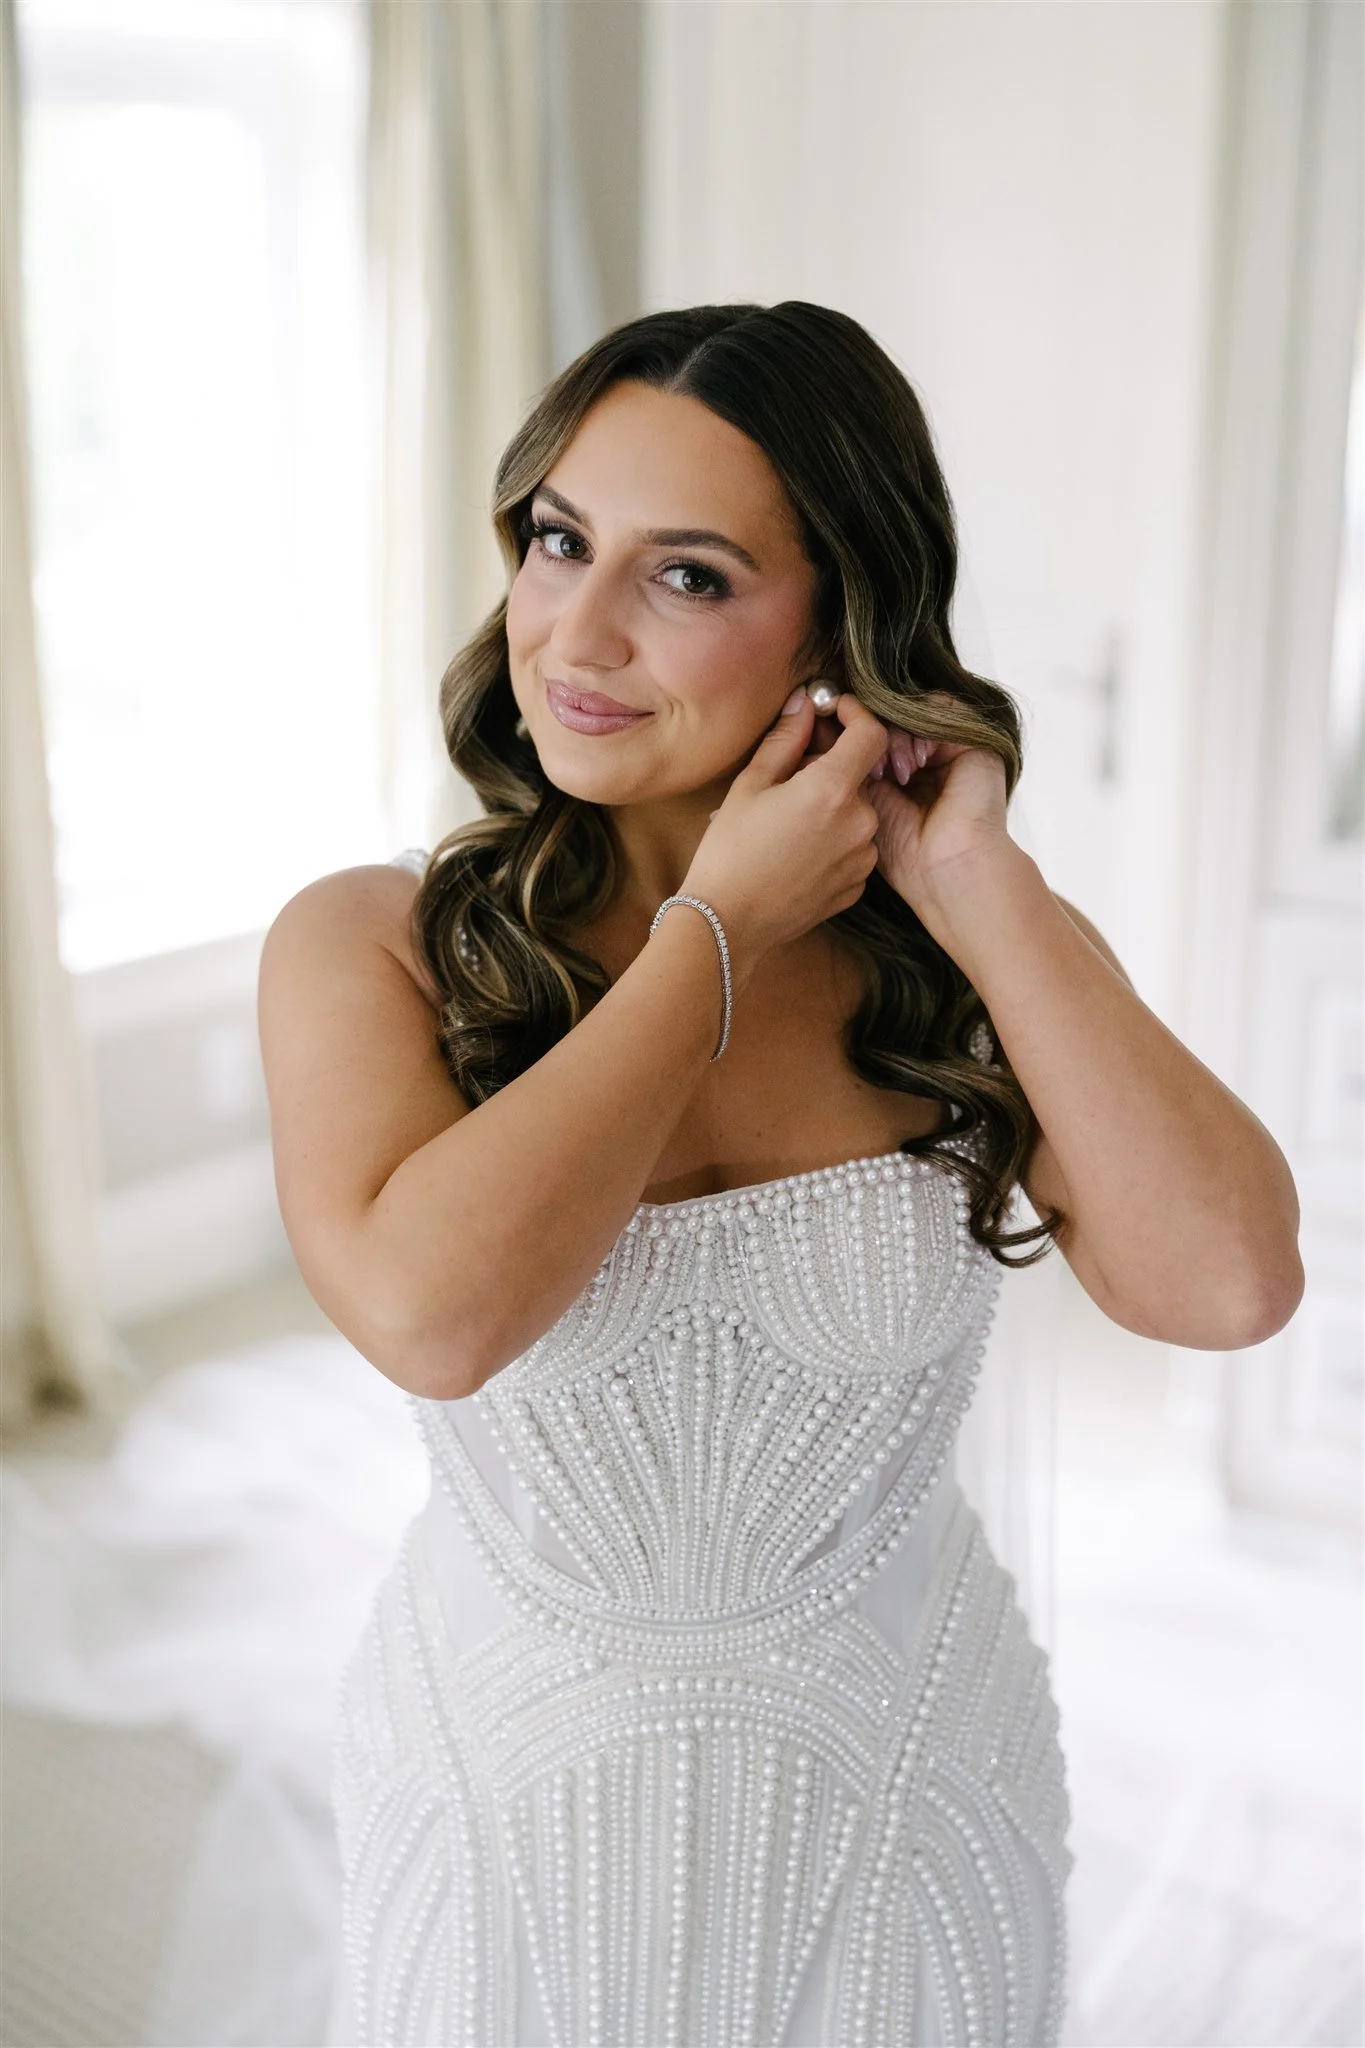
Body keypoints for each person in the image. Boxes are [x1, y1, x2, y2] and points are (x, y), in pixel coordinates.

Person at [258, 302, 1303, 2048]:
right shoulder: (376, 948)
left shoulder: (963, 956)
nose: (574, 633)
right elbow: (436, 1321)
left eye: (688, 576)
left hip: (901, 1802)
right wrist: (713, 933)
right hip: (511, 1807)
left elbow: (1230, 1285)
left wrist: (979, 885)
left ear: (842, 614)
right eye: (559, 540)